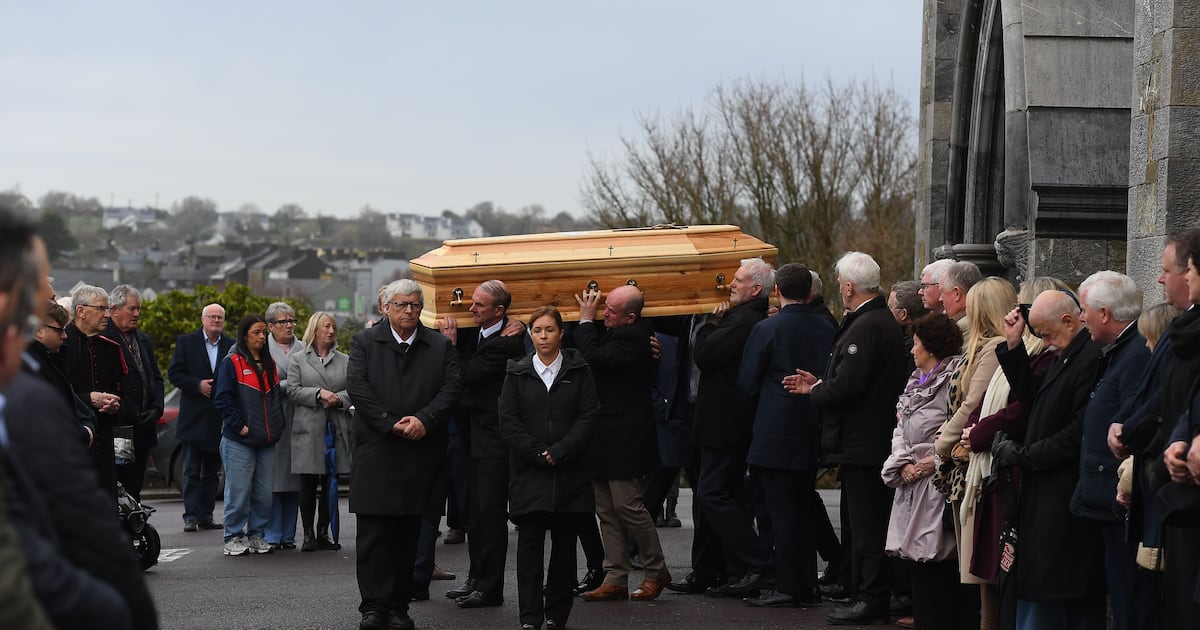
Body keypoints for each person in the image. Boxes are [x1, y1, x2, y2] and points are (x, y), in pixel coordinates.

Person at [0, 206, 132, 629]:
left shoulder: (109, 348)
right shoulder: (34, 385)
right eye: (41, 285)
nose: (49, 297)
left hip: (97, 439)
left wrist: (103, 412)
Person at [784, 251, 909, 625]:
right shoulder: (877, 320)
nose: (840, 289)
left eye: (840, 284)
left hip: (864, 441)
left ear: (850, 287)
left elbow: (851, 386)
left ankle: (871, 599)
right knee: (865, 524)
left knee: (867, 526)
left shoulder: (867, 326)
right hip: (868, 438)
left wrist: (816, 392)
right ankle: (867, 592)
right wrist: (822, 382)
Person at [346, 279, 461, 630]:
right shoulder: (364, 342)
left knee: (408, 535)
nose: (409, 310)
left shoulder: (439, 345)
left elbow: (452, 387)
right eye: (401, 305)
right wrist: (391, 423)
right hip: (378, 451)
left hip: (420, 452)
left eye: (414, 304)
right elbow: (358, 389)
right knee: (373, 538)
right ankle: (374, 607)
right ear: (386, 308)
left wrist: (425, 420)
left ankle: (398, 606)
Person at [991, 288, 1105, 629]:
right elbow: (1035, 393)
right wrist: (1014, 344)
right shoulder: (1066, 353)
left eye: (1046, 334)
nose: (1044, 343)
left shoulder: (1089, 357)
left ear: (1069, 321)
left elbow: (1075, 432)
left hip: (1064, 490)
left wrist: (1025, 456)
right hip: (1046, 488)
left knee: (1064, 589)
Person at [737, 263, 835, 607]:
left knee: (779, 513)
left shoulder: (767, 328)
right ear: (810, 291)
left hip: (773, 431)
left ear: (776, 290)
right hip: (810, 428)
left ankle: (789, 584)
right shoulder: (827, 327)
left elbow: (748, 383)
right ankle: (807, 582)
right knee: (803, 507)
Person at [499, 305, 601, 630]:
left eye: (549, 330)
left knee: (564, 548)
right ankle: (530, 617)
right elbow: (508, 421)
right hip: (529, 474)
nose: (543, 336)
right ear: (531, 334)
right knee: (529, 548)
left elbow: (588, 416)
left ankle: (557, 614)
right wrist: (538, 452)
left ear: (561, 333)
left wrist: (560, 451)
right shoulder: (515, 372)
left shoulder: (579, 369)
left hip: (570, 473)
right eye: (537, 330)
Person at [574, 284, 670, 602]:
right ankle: (615, 575)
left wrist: (585, 320)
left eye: (611, 311)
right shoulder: (626, 333)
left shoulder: (634, 338)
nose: (604, 314)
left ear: (630, 317)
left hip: (624, 435)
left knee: (628, 506)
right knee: (606, 508)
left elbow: (594, 357)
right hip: (604, 433)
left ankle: (656, 570)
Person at [439, 280, 528, 608]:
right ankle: (476, 578)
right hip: (471, 439)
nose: (471, 308)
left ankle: (490, 588)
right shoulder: (477, 334)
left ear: (499, 311)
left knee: (489, 515)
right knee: (473, 514)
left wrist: (449, 347)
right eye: (472, 302)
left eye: (479, 305)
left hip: (493, 441)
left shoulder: (506, 344)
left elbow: (466, 375)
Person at [1068, 271, 1148, 630]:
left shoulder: (1135, 354)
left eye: (1085, 310)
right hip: (1103, 496)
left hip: (1117, 499)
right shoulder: (1121, 350)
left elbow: (1134, 420)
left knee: (1128, 596)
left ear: (1104, 313)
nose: (1081, 318)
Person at [693, 257, 775, 599]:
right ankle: (736, 569)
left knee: (712, 494)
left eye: (738, 280)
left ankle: (758, 562)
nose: (731, 284)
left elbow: (706, 355)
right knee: (724, 495)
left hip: (726, 423)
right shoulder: (747, 317)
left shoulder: (742, 320)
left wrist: (711, 325)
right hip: (728, 421)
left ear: (755, 288)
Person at [881, 313, 963, 629]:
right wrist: (903, 464)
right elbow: (901, 426)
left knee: (938, 557)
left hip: (937, 483)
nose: (912, 350)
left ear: (930, 346)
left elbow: (954, 428)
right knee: (916, 558)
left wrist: (932, 462)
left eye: (916, 343)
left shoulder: (953, 378)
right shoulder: (915, 379)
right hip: (912, 481)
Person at [214, 314, 287, 557]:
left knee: (264, 493)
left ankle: (256, 535)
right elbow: (222, 398)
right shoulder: (231, 362)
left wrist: (277, 427)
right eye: (256, 332)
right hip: (239, 441)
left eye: (263, 332)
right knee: (239, 491)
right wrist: (240, 427)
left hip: (266, 440)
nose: (262, 336)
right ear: (245, 335)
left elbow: (276, 398)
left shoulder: (269, 364)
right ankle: (233, 536)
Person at [286, 311, 353, 552]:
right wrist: (318, 393)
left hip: (334, 427)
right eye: (326, 326)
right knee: (308, 483)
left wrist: (338, 398)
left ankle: (324, 532)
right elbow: (292, 391)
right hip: (308, 429)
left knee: (330, 482)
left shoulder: (345, 360)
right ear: (315, 329)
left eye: (334, 327)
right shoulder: (298, 359)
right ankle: (308, 534)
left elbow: (354, 390)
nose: (331, 331)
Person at [168, 303, 235, 532]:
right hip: (193, 418)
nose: (216, 321)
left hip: (219, 418)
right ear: (203, 319)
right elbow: (174, 374)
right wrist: (197, 385)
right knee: (191, 471)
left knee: (213, 473)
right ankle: (191, 516)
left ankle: (206, 515)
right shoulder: (186, 343)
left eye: (220, 317)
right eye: (212, 317)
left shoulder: (230, 346)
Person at [62, 284, 131, 496]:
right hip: (72, 441)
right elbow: (55, 393)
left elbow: (122, 392)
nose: (107, 315)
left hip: (105, 439)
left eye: (108, 309)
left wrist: (114, 404)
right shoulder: (62, 344)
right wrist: (87, 399)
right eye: (101, 308)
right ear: (81, 311)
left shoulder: (109, 348)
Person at [102, 284, 164, 501]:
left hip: (144, 430)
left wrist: (157, 408)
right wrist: (132, 412)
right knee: (119, 488)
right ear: (115, 309)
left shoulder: (143, 339)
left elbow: (155, 377)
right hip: (120, 428)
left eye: (139, 309)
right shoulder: (104, 337)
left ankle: (132, 533)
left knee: (135, 488)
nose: (137, 314)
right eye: (132, 309)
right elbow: (107, 382)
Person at [24, 300, 96, 443]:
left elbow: (75, 407)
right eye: (59, 330)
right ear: (39, 330)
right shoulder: (32, 367)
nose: (65, 336)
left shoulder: (52, 360)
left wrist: (87, 424)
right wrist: (83, 433)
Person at [264, 302, 303, 550]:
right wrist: (292, 386)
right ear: (270, 326)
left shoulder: (303, 347)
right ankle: (272, 533)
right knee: (272, 481)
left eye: (292, 321)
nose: (289, 325)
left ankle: (288, 535)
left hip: (300, 419)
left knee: (294, 481)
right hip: (272, 420)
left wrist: (288, 386)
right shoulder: (260, 347)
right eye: (283, 322)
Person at [939, 261, 983, 327]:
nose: (940, 299)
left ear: (957, 293)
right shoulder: (986, 319)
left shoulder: (961, 331)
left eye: (942, 292)